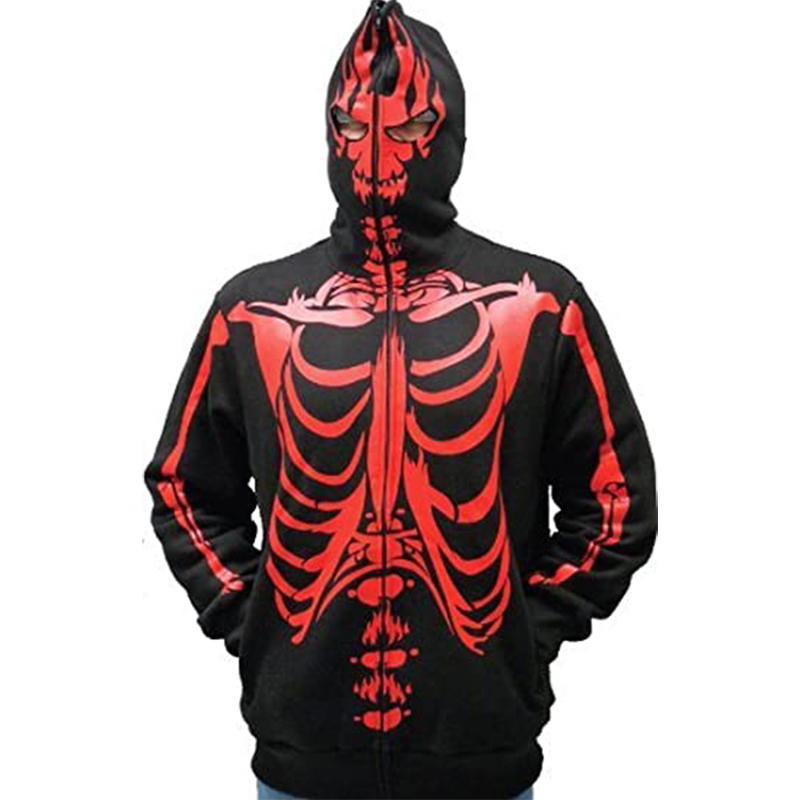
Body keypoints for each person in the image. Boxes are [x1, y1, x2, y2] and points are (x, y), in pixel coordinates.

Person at [143, 1, 658, 798]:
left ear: (452, 136)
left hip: (482, 764)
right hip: (300, 766)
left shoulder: (536, 305)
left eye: (413, 126)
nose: (377, 150)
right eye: (350, 126)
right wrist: (256, 624)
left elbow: (617, 501)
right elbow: (183, 487)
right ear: (326, 133)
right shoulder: (254, 312)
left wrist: (527, 635)